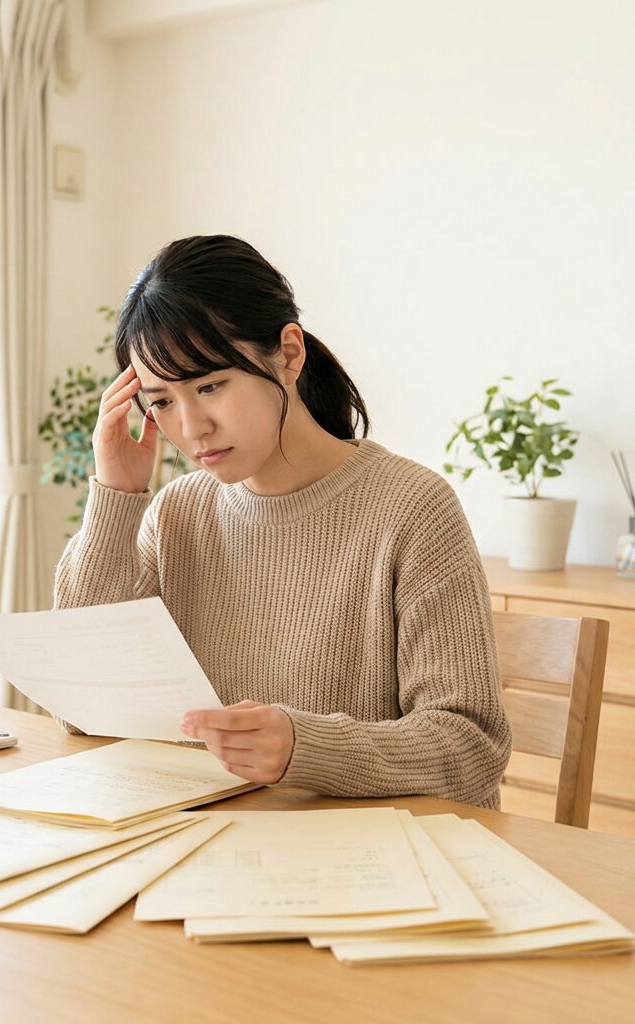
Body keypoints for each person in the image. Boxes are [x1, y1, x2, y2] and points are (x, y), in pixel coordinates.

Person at [54, 235, 512, 809]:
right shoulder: (176, 514)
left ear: (288, 354)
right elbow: (82, 706)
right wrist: (116, 496)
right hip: (212, 845)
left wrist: (306, 747)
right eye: (162, 401)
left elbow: (471, 749)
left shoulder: (413, 508)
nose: (192, 427)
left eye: (210, 386)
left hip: (368, 862)